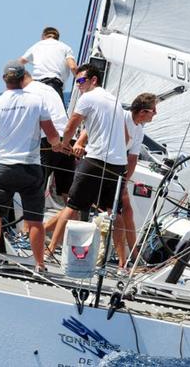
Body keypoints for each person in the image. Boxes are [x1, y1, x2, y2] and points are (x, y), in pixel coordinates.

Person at [0, 61, 62, 271]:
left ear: (4, 80)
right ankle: (39, 265)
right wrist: (57, 146)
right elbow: (52, 136)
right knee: (35, 219)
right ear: (24, 76)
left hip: (4, 167)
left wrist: (0, 143)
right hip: (30, 168)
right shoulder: (37, 101)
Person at [47, 64, 128, 255]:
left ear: (94, 80)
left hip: (95, 160)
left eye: (81, 81)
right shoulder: (114, 100)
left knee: (72, 205)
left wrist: (64, 145)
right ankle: (123, 263)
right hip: (118, 163)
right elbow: (126, 138)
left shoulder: (87, 98)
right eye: (76, 82)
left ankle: (50, 251)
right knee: (114, 212)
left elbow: (69, 127)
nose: (78, 86)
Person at [113, 93, 158, 269]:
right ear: (143, 111)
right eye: (153, 110)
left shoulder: (138, 128)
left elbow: (133, 158)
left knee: (127, 212)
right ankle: (124, 261)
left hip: (118, 169)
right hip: (100, 165)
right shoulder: (120, 117)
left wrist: (125, 181)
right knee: (116, 215)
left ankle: (133, 256)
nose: (155, 113)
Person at [22, 68, 74, 204]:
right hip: (67, 139)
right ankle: (76, 220)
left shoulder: (28, 91)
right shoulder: (50, 89)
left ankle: (31, 221)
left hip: (48, 140)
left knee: (38, 186)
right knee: (67, 193)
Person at [19, 27, 77, 103]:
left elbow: (19, 63)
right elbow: (73, 67)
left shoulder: (36, 46)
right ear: (57, 38)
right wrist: (81, 81)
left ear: (43, 36)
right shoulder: (65, 47)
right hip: (53, 85)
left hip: (35, 87)